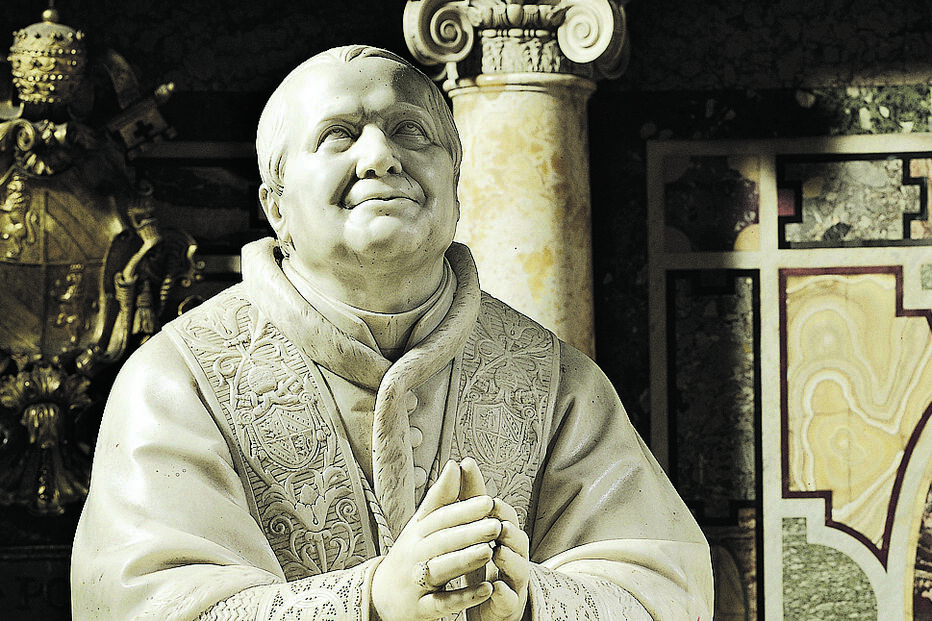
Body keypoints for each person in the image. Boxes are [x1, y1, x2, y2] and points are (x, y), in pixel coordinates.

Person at [71, 45, 713, 621]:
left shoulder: (556, 381)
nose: (380, 157)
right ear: (276, 204)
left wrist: (533, 602)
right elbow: (138, 605)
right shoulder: (177, 381)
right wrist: (370, 602)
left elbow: (667, 594)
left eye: (411, 130)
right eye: (337, 136)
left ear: (454, 184)